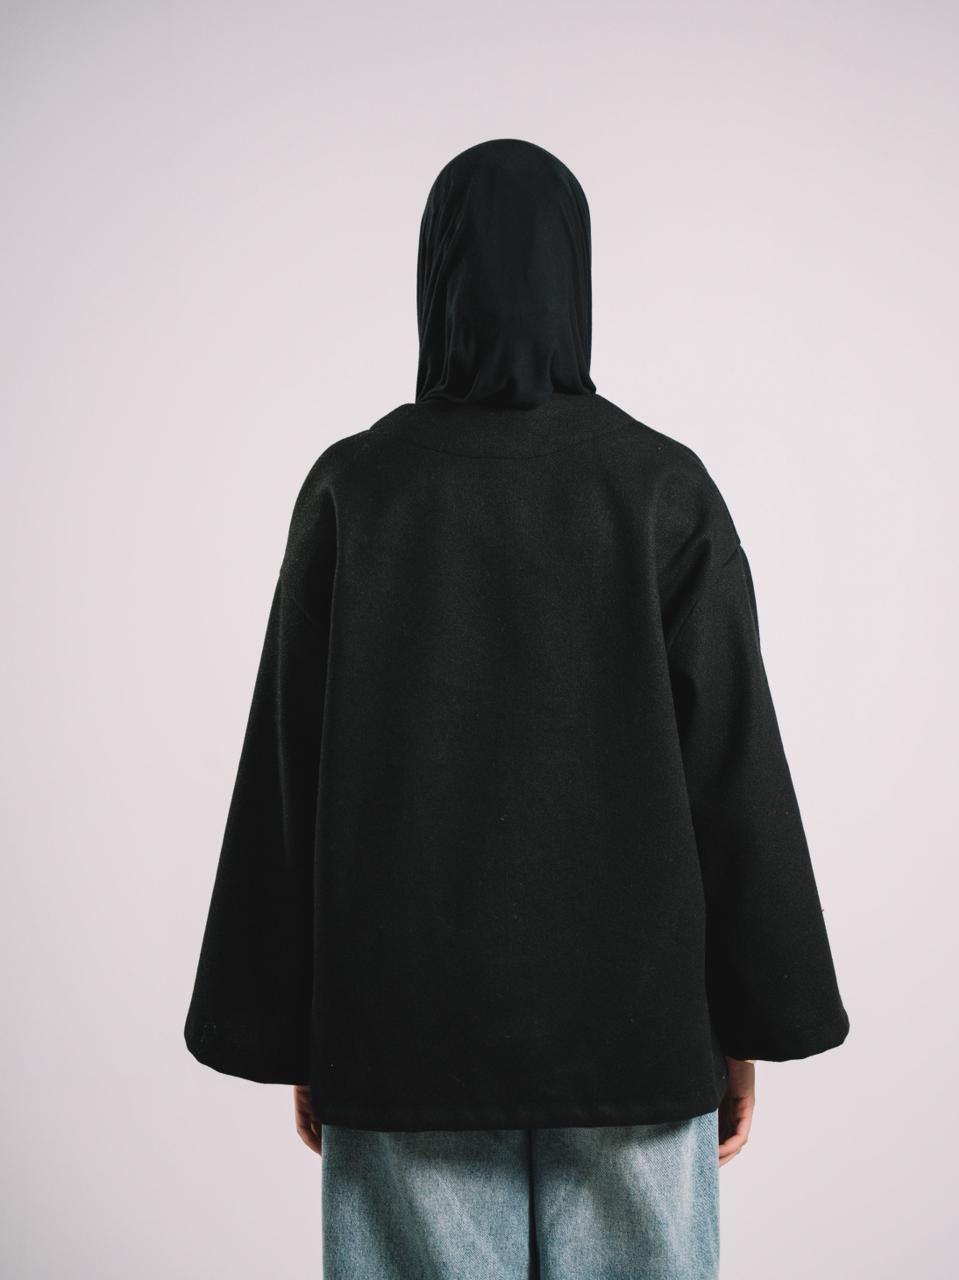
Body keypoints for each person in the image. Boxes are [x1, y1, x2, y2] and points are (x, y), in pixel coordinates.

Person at [184, 137, 850, 1279]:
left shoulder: (356, 488)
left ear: (434, 277)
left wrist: (301, 1024)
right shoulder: (661, 486)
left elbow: (288, 771)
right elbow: (732, 762)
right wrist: (747, 1023)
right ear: (576, 277)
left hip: (403, 1032)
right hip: (637, 1033)